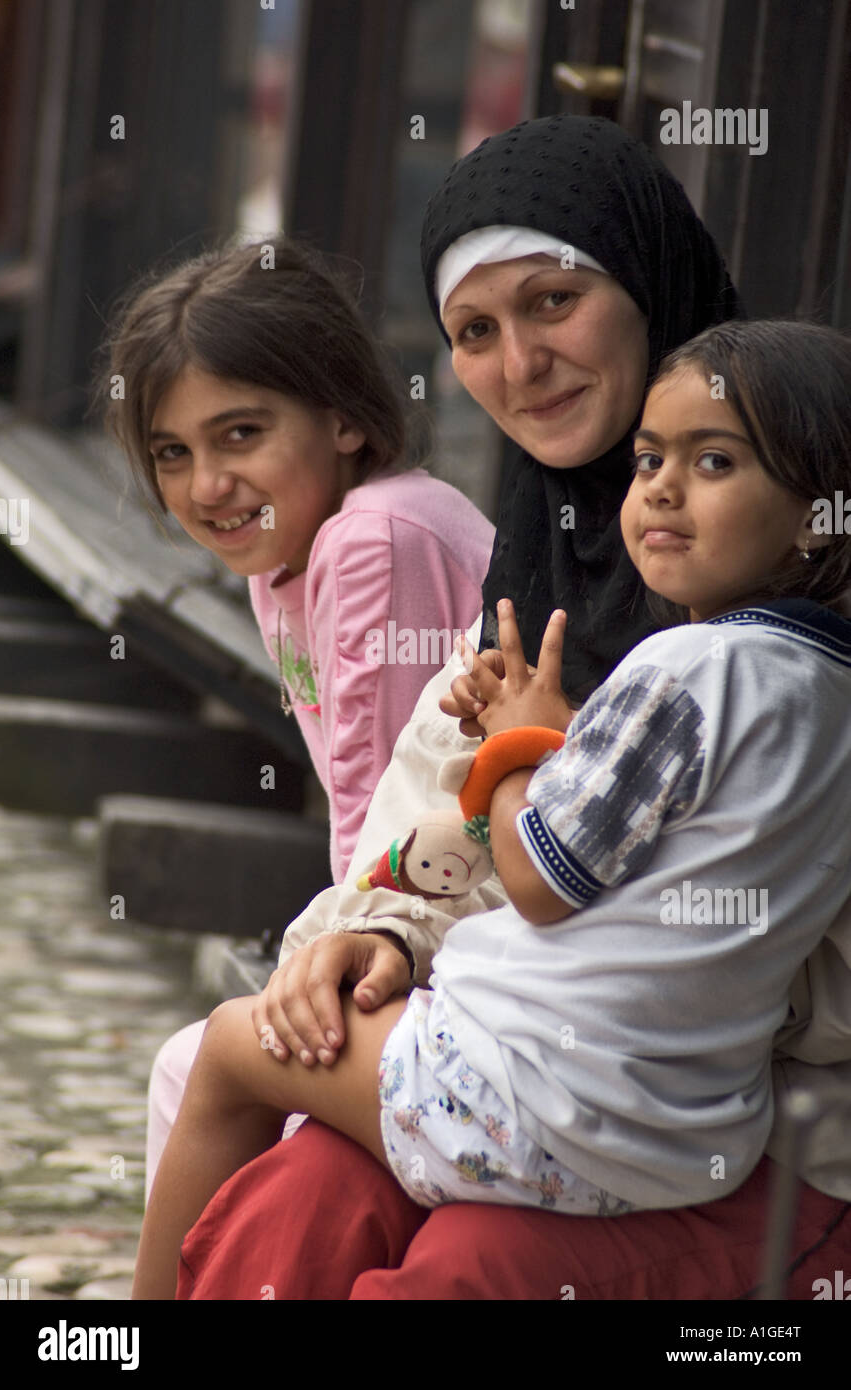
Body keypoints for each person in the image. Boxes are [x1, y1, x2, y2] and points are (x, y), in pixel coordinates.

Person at [169, 117, 846, 1300]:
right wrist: (385, 937)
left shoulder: (774, 663)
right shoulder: (523, 607)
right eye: (473, 332)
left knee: (471, 1264)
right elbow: (410, 847)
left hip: (766, 1136)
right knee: (295, 1201)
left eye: (553, 302)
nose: (518, 365)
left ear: (646, 283)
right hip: (527, 1080)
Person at [100, 237, 494, 1190]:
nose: (206, 487)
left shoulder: (371, 536)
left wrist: (327, 966)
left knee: (197, 1074)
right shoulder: (287, 551)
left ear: (345, 417)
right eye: (173, 453)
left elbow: (384, 824)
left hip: (459, 936)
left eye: (241, 435)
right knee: (193, 1069)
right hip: (419, 922)